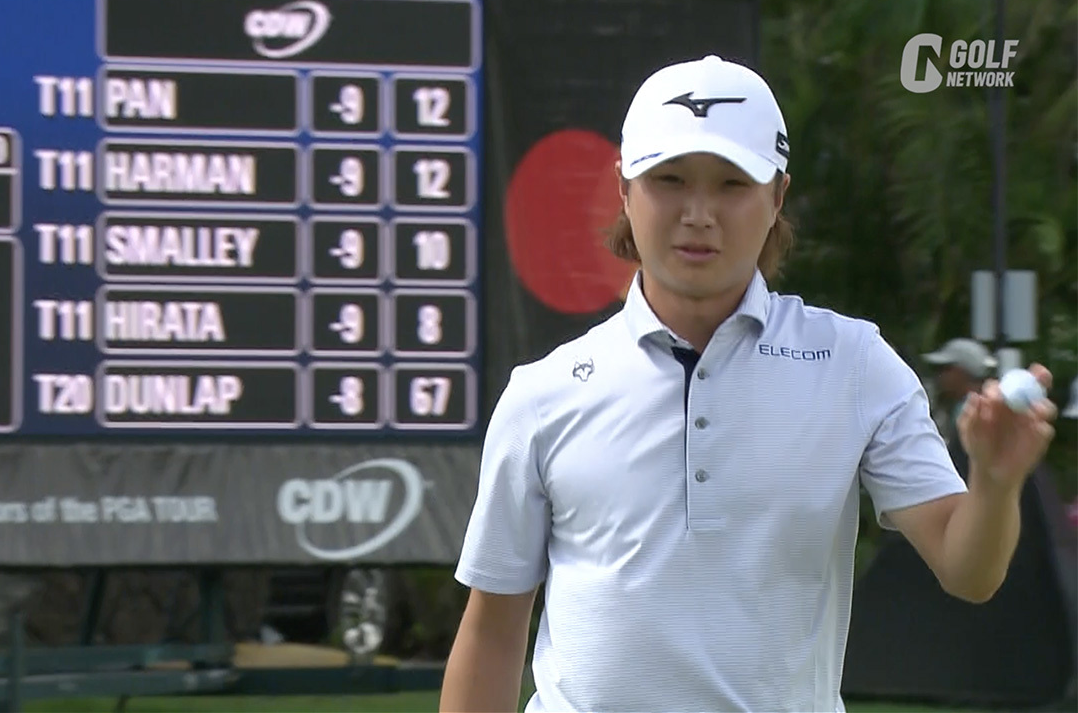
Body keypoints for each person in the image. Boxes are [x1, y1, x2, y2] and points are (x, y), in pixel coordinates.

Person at [439, 54, 1057, 713]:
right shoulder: (544, 393)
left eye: (732, 183)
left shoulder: (854, 365)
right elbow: (493, 630)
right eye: (669, 179)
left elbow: (968, 571)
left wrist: (995, 484)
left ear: (777, 196)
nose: (698, 213)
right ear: (623, 188)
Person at [921, 337, 997, 476]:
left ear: (961, 372)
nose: (939, 376)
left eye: (944, 369)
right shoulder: (956, 407)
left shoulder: (973, 413)